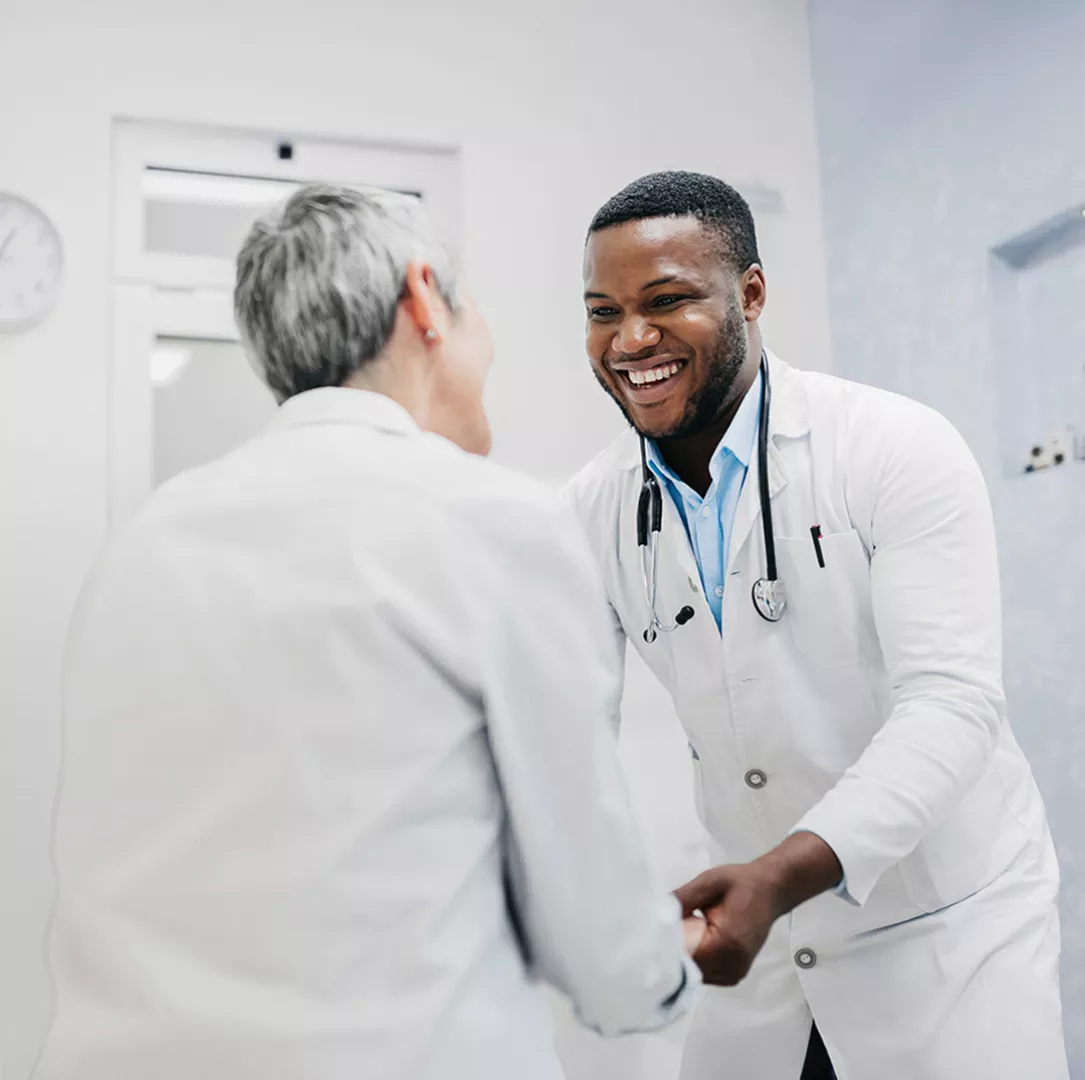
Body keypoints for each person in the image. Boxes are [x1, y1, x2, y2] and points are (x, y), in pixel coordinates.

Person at [33, 184, 702, 1080]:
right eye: (471, 312)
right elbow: (598, 934)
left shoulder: (141, 544)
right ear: (424, 298)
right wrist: (671, 969)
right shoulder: (494, 522)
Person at [566, 171, 1069, 1080]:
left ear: (750, 294)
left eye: (666, 301)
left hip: (946, 930)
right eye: (603, 311)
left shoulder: (891, 447)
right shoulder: (592, 510)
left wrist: (777, 876)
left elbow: (950, 707)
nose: (630, 340)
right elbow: (564, 730)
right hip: (759, 948)